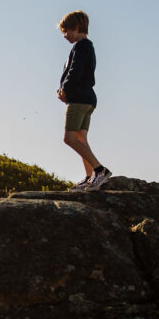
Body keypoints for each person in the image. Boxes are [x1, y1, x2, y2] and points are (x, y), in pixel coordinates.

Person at [57, 10, 111, 191]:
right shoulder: (87, 46)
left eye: (66, 31)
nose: (64, 35)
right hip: (87, 99)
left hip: (79, 99)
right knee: (81, 138)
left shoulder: (81, 46)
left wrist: (65, 88)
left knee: (69, 138)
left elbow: (75, 71)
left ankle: (99, 170)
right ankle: (90, 177)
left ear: (77, 27)